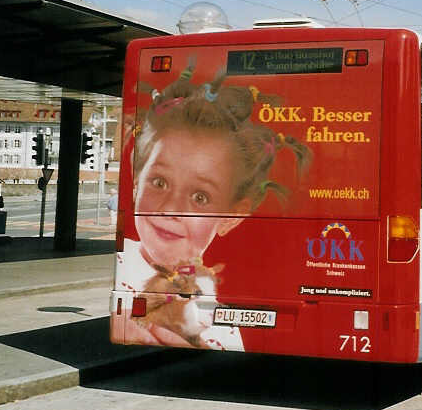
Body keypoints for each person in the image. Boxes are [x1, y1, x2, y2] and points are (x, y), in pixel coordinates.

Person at [116, 64, 311, 349]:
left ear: (232, 217)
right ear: (136, 183)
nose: (170, 210)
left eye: (200, 197)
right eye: (159, 182)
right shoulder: (123, 262)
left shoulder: (224, 333)